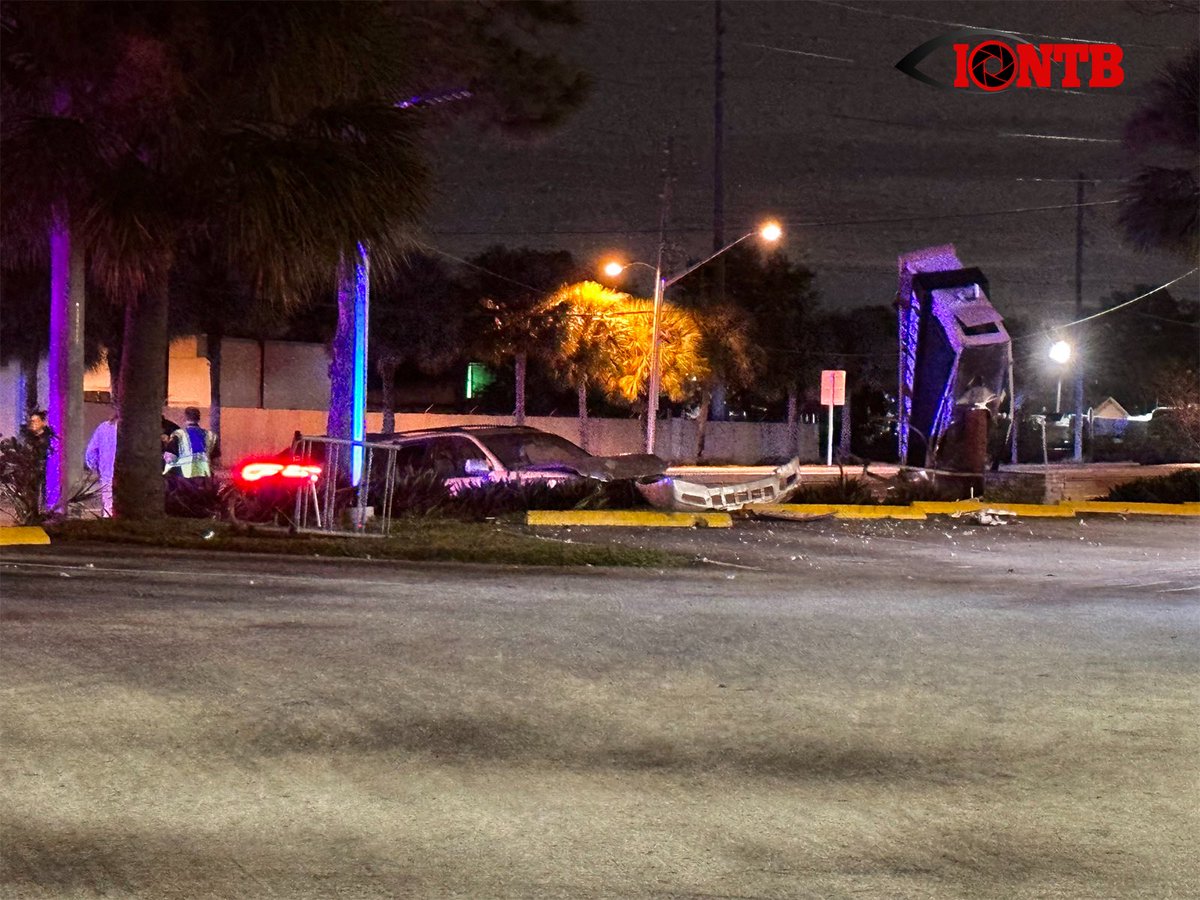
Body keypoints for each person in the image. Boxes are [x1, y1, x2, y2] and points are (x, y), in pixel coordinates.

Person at [165, 407, 217, 479]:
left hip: (183, 477)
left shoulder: (179, 435)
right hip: (205, 477)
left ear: (185, 418)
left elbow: (170, 458)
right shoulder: (210, 435)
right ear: (199, 418)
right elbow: (214, 457)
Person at [85, 411, 119, 517]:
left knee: (108, 503)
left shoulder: (104, 428)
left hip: (107, 471)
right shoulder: (133, 430)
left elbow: (91, 451)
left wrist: (96, 466)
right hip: (128, 472)